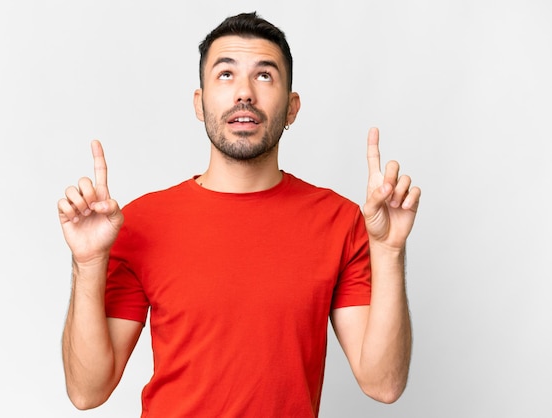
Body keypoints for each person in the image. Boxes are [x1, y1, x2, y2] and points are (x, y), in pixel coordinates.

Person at [58, 12, 421, 417]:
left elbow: (383, 383)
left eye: (264, 76)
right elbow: (86, 391)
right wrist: (88, 263)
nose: (244, 93)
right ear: (199, 102)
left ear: (291, 108)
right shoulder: (140, 223)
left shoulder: (341, 222)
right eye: (225, 75)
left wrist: (388, 253)